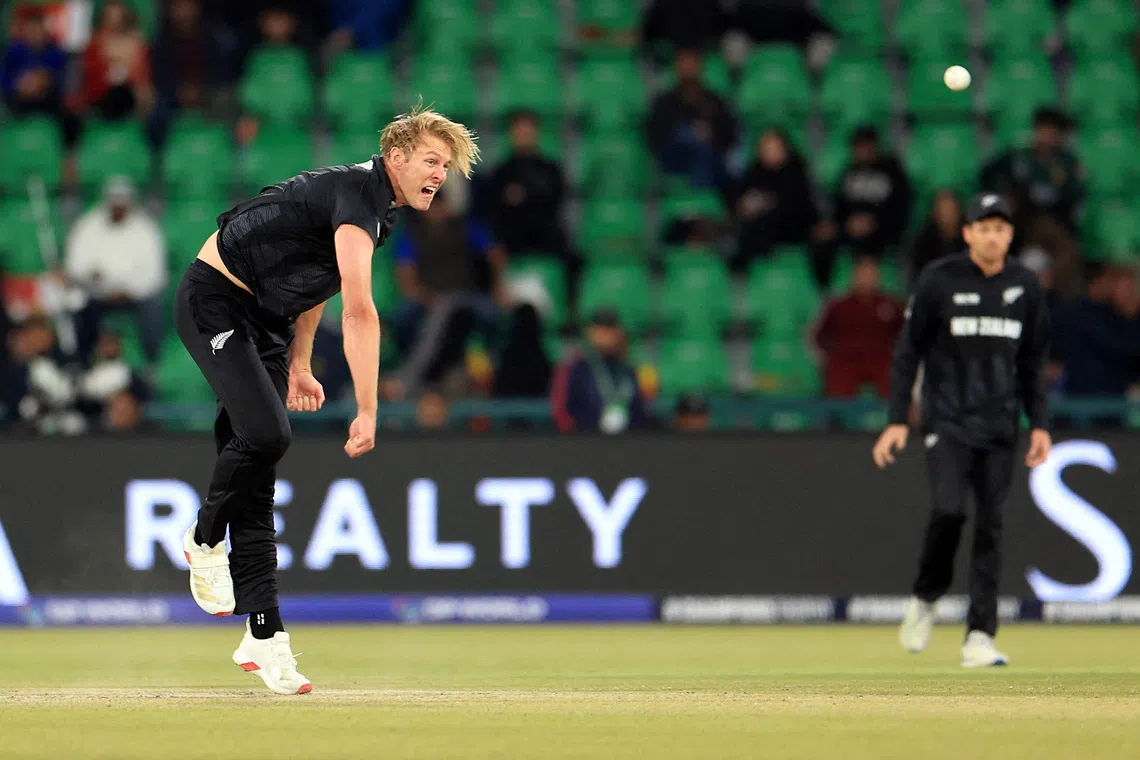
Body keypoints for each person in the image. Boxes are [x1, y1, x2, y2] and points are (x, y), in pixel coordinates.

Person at [172, 101, 478, 694]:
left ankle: (266, 640)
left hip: (265, 324)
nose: (441, 175)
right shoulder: (359, 196)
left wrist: (302, 362)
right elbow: (360, 313)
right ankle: (203, 537)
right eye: (432, 160)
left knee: (258, 484)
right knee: (267, 436)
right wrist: (367, 408)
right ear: (396, 156)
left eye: (448, 166)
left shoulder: (378, 215)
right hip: (215, 300)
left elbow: (317, 283)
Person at [872, 193, 1052, 669]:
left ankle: (979, 635)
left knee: (991, 527)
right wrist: (896, 420)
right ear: (968, 233)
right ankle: (927, 596)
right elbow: (907, 353)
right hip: (947, 421)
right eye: (984, 227)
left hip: (999, 425)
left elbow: (1034, 365)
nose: (993, 235)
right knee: (950, 511)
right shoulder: (938, 281)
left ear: (1010, 235)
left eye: (1001, 227)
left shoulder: (1025, 287)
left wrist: (1040, 426)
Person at [66, 177, 167, 367]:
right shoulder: (87, 226)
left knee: (153, 306)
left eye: (122, 204)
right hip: (97, 293)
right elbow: (75, 267)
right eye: (114, 203)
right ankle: (83, 363)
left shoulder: (146, 229)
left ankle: (151, 361)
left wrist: (128, 291)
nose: (118, 208)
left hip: (134, 295)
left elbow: (154, 275)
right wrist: (92, 278)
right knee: (78, 304)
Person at [813, 256, 905, 398]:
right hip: (847, 358)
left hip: (880, 358)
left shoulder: (891, 304)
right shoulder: (839, 305)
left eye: (870, 274)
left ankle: (897, 418)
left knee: (895, 374)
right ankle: (838, 418)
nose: (866, 279)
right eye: (862, 274)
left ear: (877, 277)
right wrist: (830, 354)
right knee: (838, 376)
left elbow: (904, 333)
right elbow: (821, 335)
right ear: (854, 276)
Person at [551, 309, 653, 434]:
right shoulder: (574, 369)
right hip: (584, 442)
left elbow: (641, 410)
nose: (605, 335)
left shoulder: (630, 370)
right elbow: (562, 413)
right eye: (600, 329)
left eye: (610, 329)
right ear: (589, 332)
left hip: (627, 442)